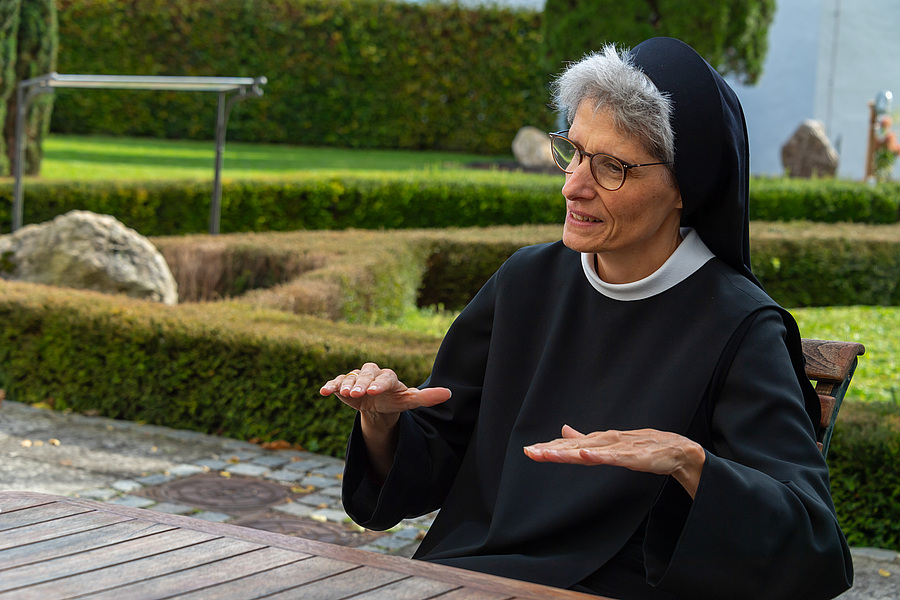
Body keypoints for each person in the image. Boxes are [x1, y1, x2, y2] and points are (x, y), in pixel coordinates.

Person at [319, 37, 853, 600]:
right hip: (470, 576)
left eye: (612, 168)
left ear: (684, 189)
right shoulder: (525, 281)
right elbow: (435, 455)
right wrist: (381, 423)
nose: (574, 184)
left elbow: (813, 544)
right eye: (573, 151)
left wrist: (691, 463)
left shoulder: (741, 325)